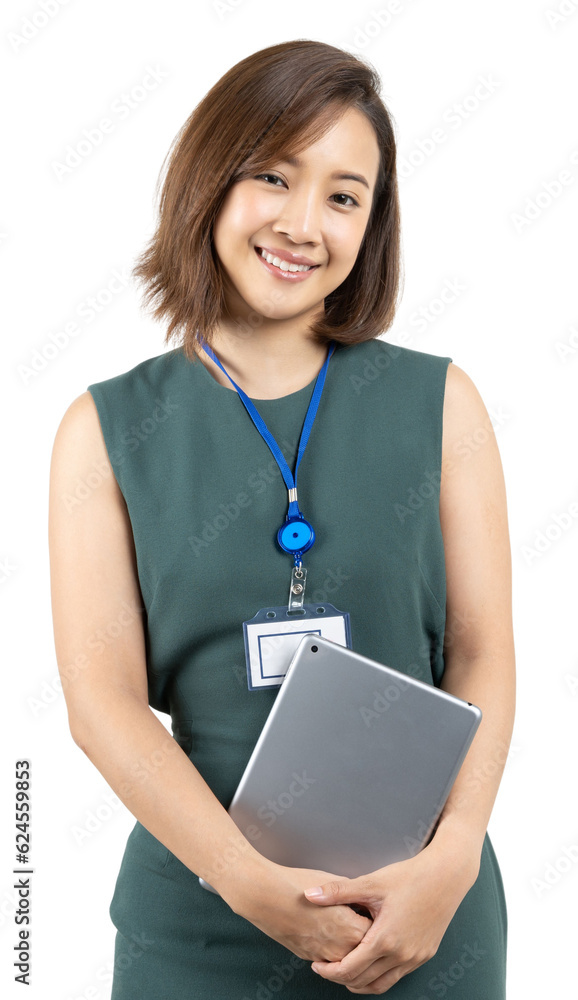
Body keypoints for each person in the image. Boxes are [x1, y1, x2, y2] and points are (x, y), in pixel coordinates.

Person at [48, 39, 515, 998]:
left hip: (422, 920)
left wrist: (456, 853)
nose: (305, 224)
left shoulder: (442, 403)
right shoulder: (104, 429)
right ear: (209, 180)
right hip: (199, 927)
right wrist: (250, 884)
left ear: (372, 222)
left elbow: (483, 656)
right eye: (274, 176)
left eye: (345, 196)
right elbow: (102, 705)